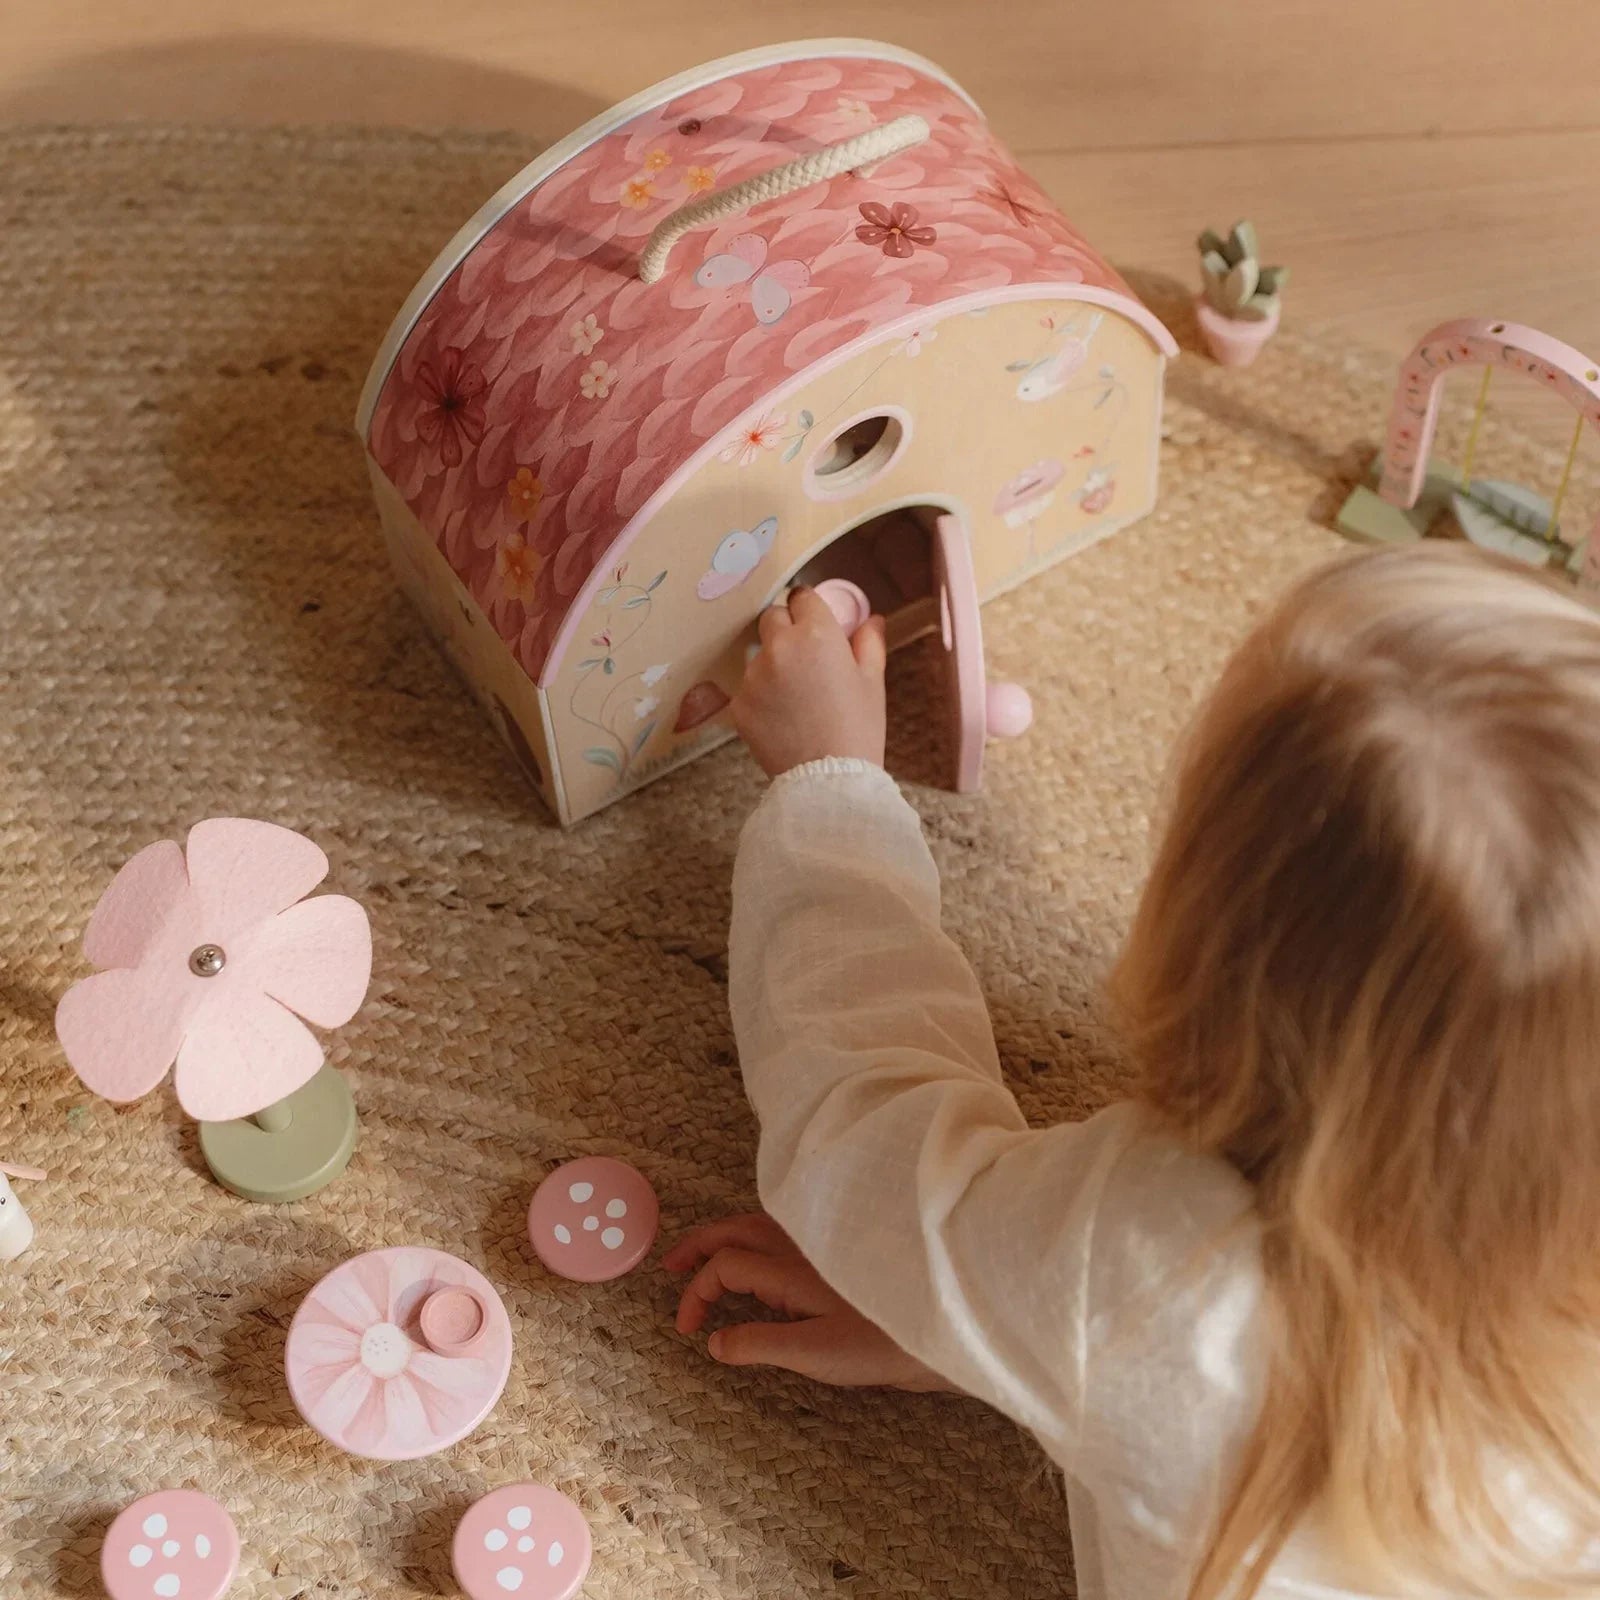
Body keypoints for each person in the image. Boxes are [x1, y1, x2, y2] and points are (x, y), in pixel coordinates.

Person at [664, 544, 1600, 1599]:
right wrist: (981, 1333)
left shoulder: (1148, 1262)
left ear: (1206, 955)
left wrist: (826, 787)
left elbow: (861, 1116)